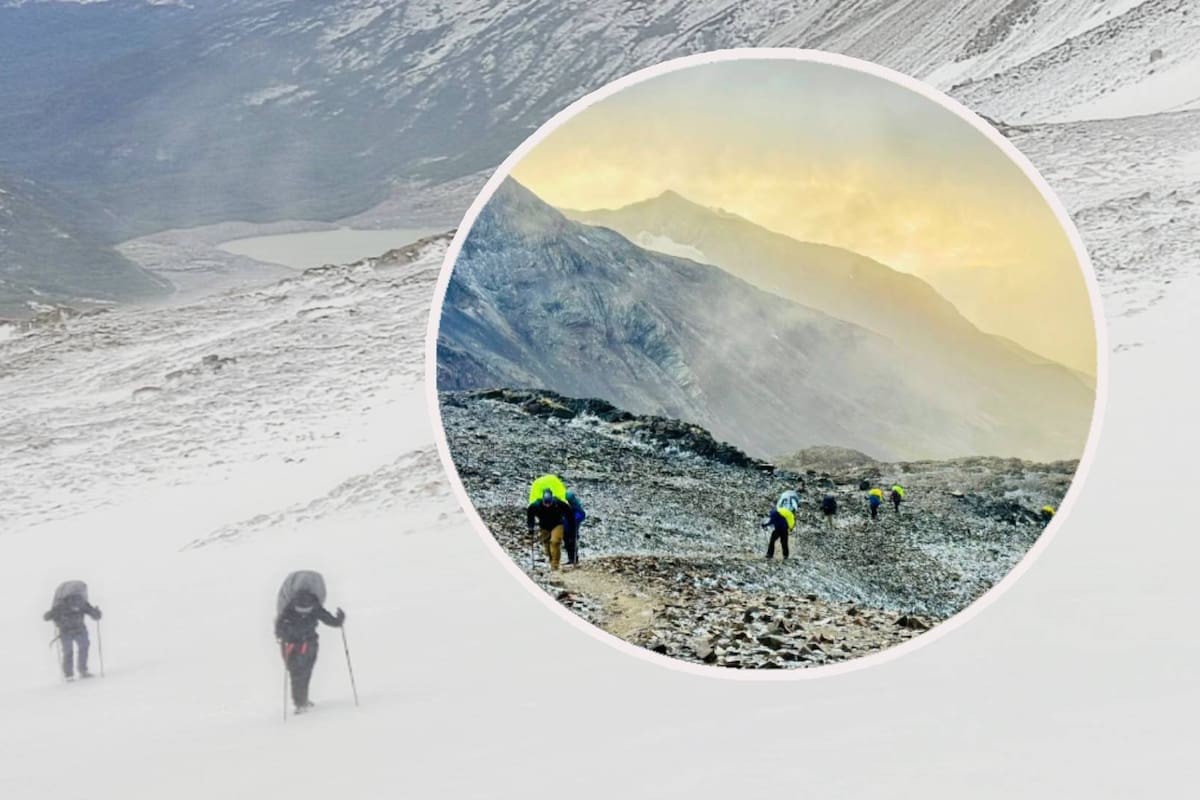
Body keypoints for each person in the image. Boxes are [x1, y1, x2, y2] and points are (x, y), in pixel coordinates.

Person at [275, 589, 345, 714]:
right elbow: (279, 628)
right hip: (296, 647)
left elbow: (328, 619)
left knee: (305, 672)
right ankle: (300, 703)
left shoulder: (311, 606)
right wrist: (283, 633)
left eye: (307, 609)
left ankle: (303, 700)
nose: (303, 612)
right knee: (297, 674)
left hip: (308, 645)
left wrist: (339, 620)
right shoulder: (292, 609)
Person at [44, 583, 101, 680]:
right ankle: (82, 671)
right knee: (83, 648)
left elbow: (47, 617)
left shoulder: (62, 603)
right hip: (78, 630)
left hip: (66, 632)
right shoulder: (82, 602)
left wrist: (50, 615)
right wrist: (97, 613)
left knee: (68, 652)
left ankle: (69, 674)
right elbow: (93, 614)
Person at [527, 487, 577, 571]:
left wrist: (572, 525)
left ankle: (555, 565)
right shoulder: (536, 505)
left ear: (552, 500)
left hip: (557, 524)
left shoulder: (559, 503)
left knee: (555, 542)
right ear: (543, 500)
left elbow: (569, 513)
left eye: (549, 503)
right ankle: (551, 562)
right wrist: (530, 527)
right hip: (544, 527)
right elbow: (530, 516)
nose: (547, 505)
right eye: (546, 503)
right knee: (547, 547)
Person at [564, 490, 586, 566]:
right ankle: (571, 558)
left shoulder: (573, 502)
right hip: (566, 524)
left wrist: (576, 518)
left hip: (572, 524)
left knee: (572, 540)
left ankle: (574, 559)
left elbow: (581, 513)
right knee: (567, 541)